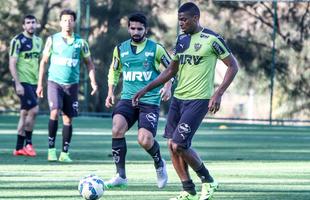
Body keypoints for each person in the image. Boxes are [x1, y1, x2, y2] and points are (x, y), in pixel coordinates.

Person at [133, 2, 239, 200]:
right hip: (178, 99)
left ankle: (208, 180)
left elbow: (233, 66)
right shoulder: (181, 40)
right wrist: (146, 88)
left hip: (198, 100)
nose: (181, 23)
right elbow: (171, 70)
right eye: (179, 19)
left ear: (195, 18)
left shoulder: (212, 39)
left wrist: (218, 93)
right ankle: (188, 190)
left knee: (180, 145)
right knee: (171, 144)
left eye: (184, 19)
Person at [105, 13, 173, 189]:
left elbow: (171, 69)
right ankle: (120, 176)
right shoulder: (120, 49)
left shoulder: (155, 49)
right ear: (128, 28)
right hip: (127, 99)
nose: (136, 32)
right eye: (133, 28)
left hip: (149, 101)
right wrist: (110, 92)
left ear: (146, 30)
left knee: (144, 140)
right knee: (116, 129)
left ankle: (159, 163)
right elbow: (114, 71)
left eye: (139, 29)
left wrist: (167, 86)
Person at [36, 9, 98, 163]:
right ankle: (51, 150)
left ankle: (64, 153)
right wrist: (40, 84)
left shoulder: (81, 43)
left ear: (74, 22)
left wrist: (93, 82)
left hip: (72, 86)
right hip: (54, 82)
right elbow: (43, 62)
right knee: (54, 110)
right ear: (60, 22)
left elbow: (89, 64)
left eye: (70, 20)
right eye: (64, 20)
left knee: (68, 119)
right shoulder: (52, 39)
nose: (67, 23)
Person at [9, 15, 43, 157]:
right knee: (34, 110)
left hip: (34, 82)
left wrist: (41, 83)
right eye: (28, 23)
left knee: (24, 114)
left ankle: (18, 148)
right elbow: (12, 63)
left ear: (36, 24)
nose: (30, 25)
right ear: (23, 26)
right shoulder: (17, 41)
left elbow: (40, 63)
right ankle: (28, 144)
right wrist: (17, 83)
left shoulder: (39, 41)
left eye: (33, 22)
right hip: (22, 81)